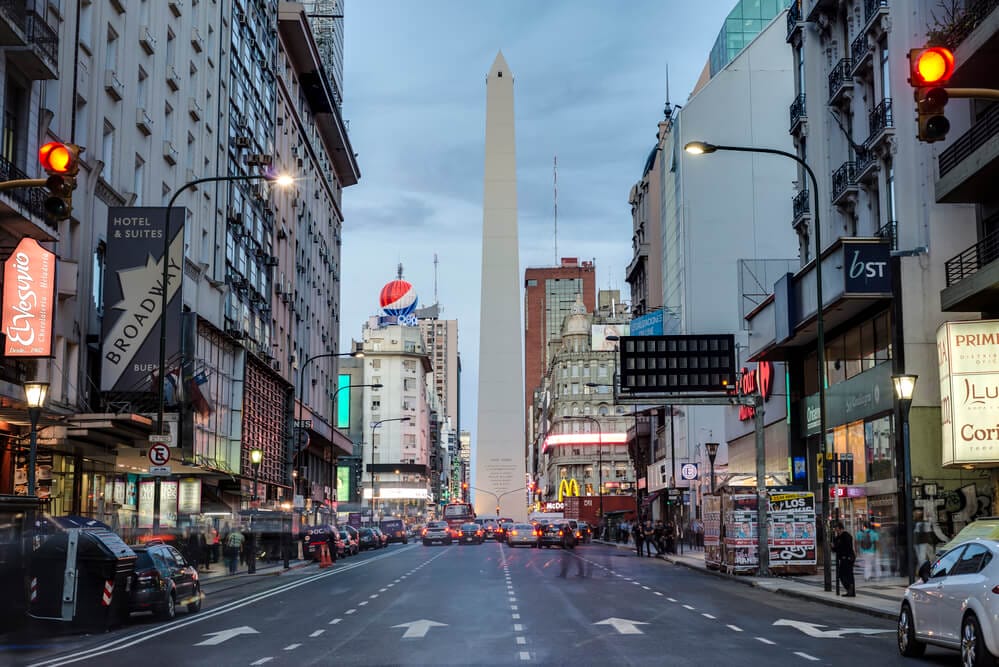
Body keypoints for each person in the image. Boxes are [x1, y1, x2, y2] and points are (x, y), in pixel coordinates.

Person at [832, 521, 856, 597]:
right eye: (835, 528)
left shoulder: (846, 536)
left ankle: (850, 590)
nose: (835, 529)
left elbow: (847, 547)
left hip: (848, 558)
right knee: (843, 575)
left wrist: (837, 547)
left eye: (836, 528)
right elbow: (836, 550)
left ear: (840, 528)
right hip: (842, 558)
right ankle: (850, 590)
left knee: (846, 575)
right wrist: (833, 547)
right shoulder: (837, 538)